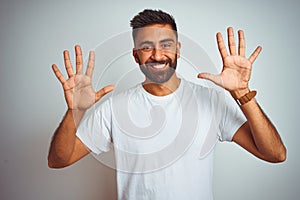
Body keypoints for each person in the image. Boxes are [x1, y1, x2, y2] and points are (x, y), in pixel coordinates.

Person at [48, 9, 286, 200]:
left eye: (166, 44)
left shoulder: (211, 101)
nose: (157, 55)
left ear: (178, 50)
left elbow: (275, 154)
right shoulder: (114, 108)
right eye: (146, 47)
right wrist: (75, 112)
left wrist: (243, 93)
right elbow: (59, 160)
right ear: (135, 56)